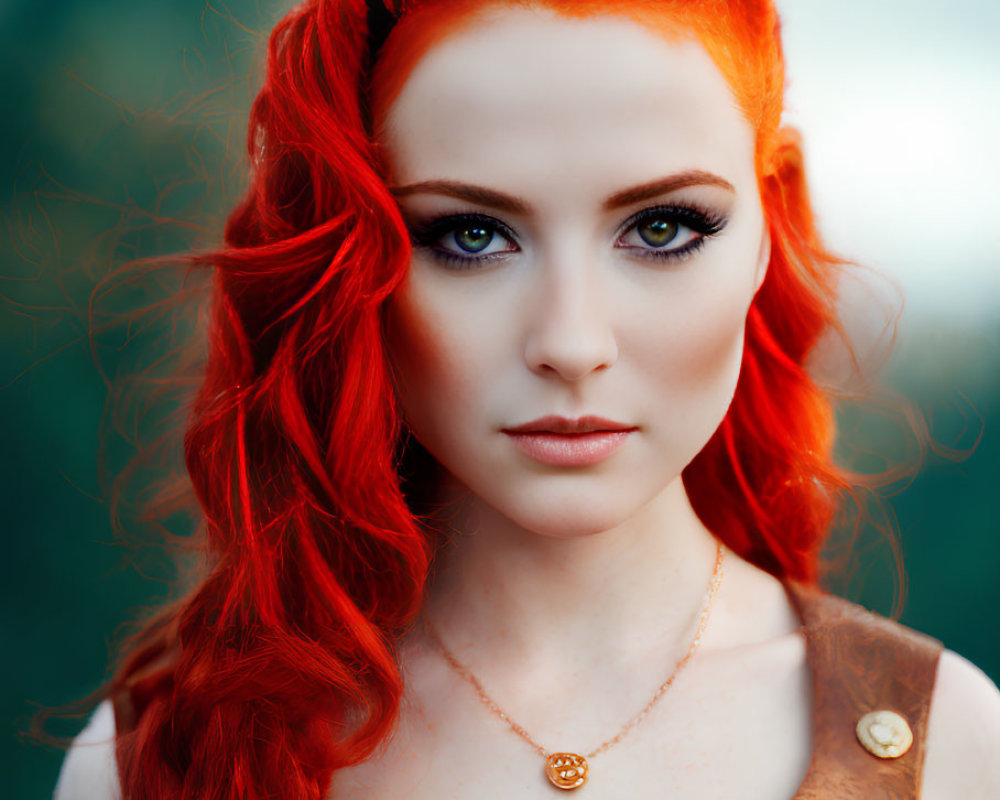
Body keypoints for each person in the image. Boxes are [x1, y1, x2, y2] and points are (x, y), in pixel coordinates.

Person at [53, 0, 1000, 798]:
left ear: (765, 230)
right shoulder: (152, 762)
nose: (572, 343)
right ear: (351, 261)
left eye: (663, 227)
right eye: (470, 236)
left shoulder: (949, 746)